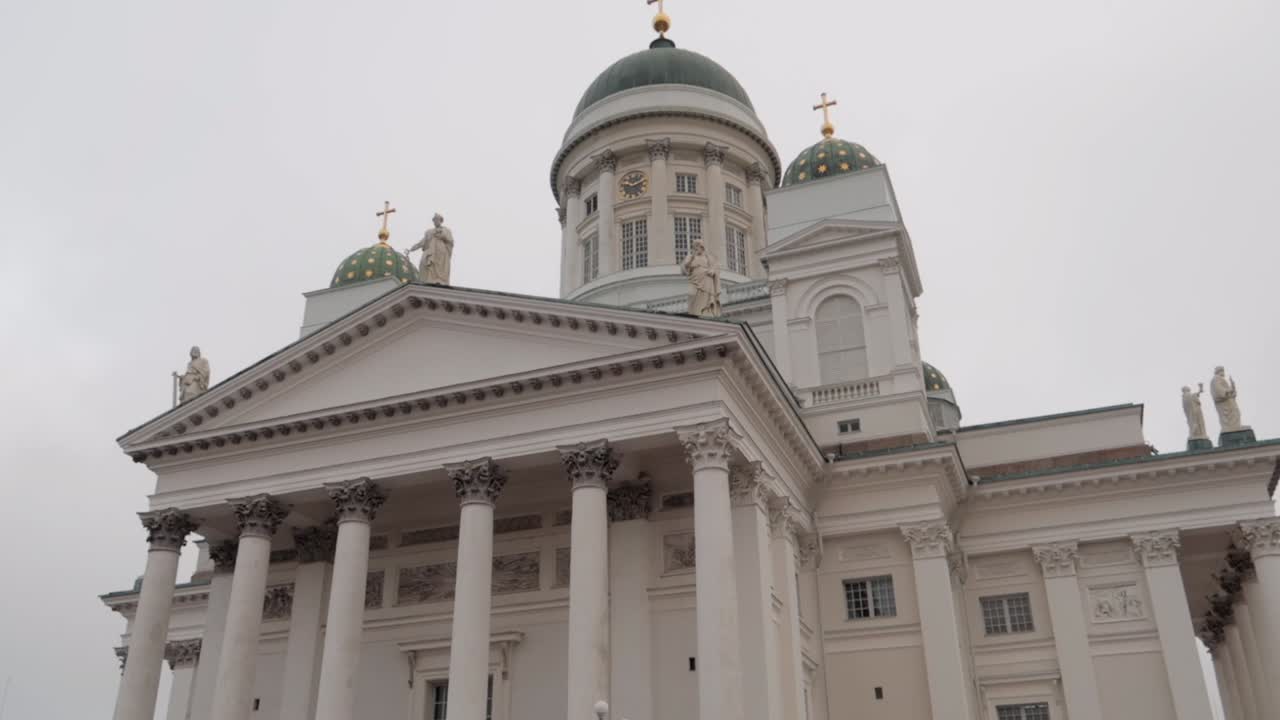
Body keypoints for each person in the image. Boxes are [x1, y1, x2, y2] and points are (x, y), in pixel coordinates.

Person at [409, 213, 454, 285]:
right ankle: (429, 279)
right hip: (430, 250)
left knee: (439, 265)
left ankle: (440, 280)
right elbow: (422, 242)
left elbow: (450, 241)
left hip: (441, 250)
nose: (435, 221)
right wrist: (412, 248)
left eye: (437, 220)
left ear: (440, 221)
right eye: (434, 220)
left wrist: (442, 235)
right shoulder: (429, 232)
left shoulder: (446, 230)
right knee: (425, 262)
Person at [680, 240, 721, 317]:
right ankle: (694, 313)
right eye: (695, 247)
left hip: (706, 280)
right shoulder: (690, 257)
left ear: (702, 248)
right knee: (691, 294)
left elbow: (716, 267)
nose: (696, 249)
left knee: (706, 299)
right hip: (694, 281)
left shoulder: (708, 257)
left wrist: (713, 271)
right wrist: (692, 259)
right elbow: (684, 268)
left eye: (698, 247)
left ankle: (705, 312)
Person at [1210, 366, 1247, 432]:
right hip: (1225, 402)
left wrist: (1233, 385)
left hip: (1229, 400)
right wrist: (1228, 390)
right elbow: (1219, 390)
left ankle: (1236, 426)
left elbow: (1231, 393)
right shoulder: (1216, 378)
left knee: (1237, 413)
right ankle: (1232, 427)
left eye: (1223, 371)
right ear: (1219, 371)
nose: (1223, 372)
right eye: (1222, 371)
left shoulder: (1221, 379)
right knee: (1232, 415)